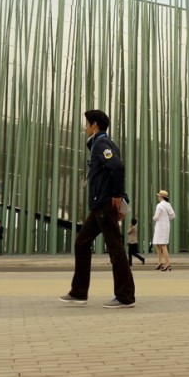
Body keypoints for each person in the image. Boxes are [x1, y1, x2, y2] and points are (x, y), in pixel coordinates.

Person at [58, 110, 135, 308]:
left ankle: (125, 296)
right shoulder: (101, 144)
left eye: (87, 124)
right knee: (82, 243)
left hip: (104, 204)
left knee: (115, 249)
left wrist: (117, 196)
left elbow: (116, 167)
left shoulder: (101, 143)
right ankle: (78, 293)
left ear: (94, 125)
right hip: (99, 205)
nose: (85, 128)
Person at [152, 190, 176, 271]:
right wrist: (166, 219)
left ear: (161, 197)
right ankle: (160, 262)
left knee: (162, 245)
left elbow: (156, 217)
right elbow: (173, 215)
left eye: (159, 196)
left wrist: (155, 218)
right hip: (166, 226)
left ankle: (167, 263)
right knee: (159, 244)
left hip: (160, 226)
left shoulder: (159, 205)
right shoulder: (168, 204)